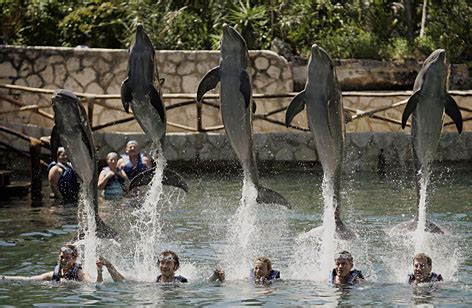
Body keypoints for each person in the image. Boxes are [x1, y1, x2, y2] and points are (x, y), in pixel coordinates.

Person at [1, 243, 93, 282]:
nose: (63, 260)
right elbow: (29, 279)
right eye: (61, 257)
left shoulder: (80, 274)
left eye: (67, 258)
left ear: (74, 259)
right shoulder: (55, 274)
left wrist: (100, 272)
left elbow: (94, 284)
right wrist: (4, 278)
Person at [97, 250, 188, 283]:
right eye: (162, 263)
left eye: (168, 263)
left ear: (175, 267)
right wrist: (109, 265)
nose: (164, 266)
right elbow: (121, 281)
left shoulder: (181, 281)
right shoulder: (153, 281)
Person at [208, 256, 280, 285]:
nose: (257, 271)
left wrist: (265, 283)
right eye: (256, 268)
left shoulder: (274, 279)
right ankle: (220, 277)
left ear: (269, 270)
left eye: (261, 269)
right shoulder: (251, 276)